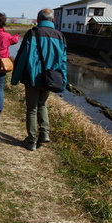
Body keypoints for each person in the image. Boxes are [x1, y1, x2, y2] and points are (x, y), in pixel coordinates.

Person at [11, 8, 67, 151]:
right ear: (53, 20)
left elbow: (22, 57)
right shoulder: (60, 36)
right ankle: (44, 134)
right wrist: (64, 81)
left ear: (38, 19)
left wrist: (15, 78)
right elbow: (63, 61)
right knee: (42, 104)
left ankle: (32, 141)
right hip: (51, 78)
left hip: (33, 77)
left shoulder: (33, 33)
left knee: (32, 109)